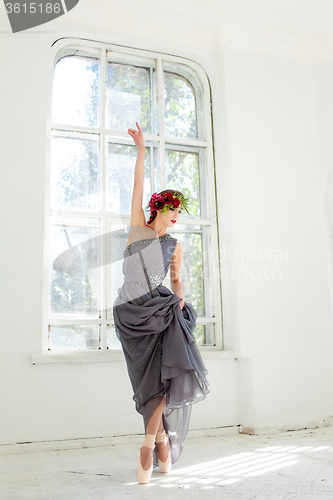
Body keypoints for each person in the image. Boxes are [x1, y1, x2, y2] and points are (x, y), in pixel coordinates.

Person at [113, 122, 210, 484]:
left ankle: (149, 442)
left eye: (179, 212)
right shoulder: (138, 228)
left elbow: (175, 279)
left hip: (162, 311)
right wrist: (141, 150)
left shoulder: (175, 245)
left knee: (162, 379)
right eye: (172, 208)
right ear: (159, 207)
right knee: (144, 380)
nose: (176, 216)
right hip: (130, 313)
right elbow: (137, 187)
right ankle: (162, 438)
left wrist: (181, 299)